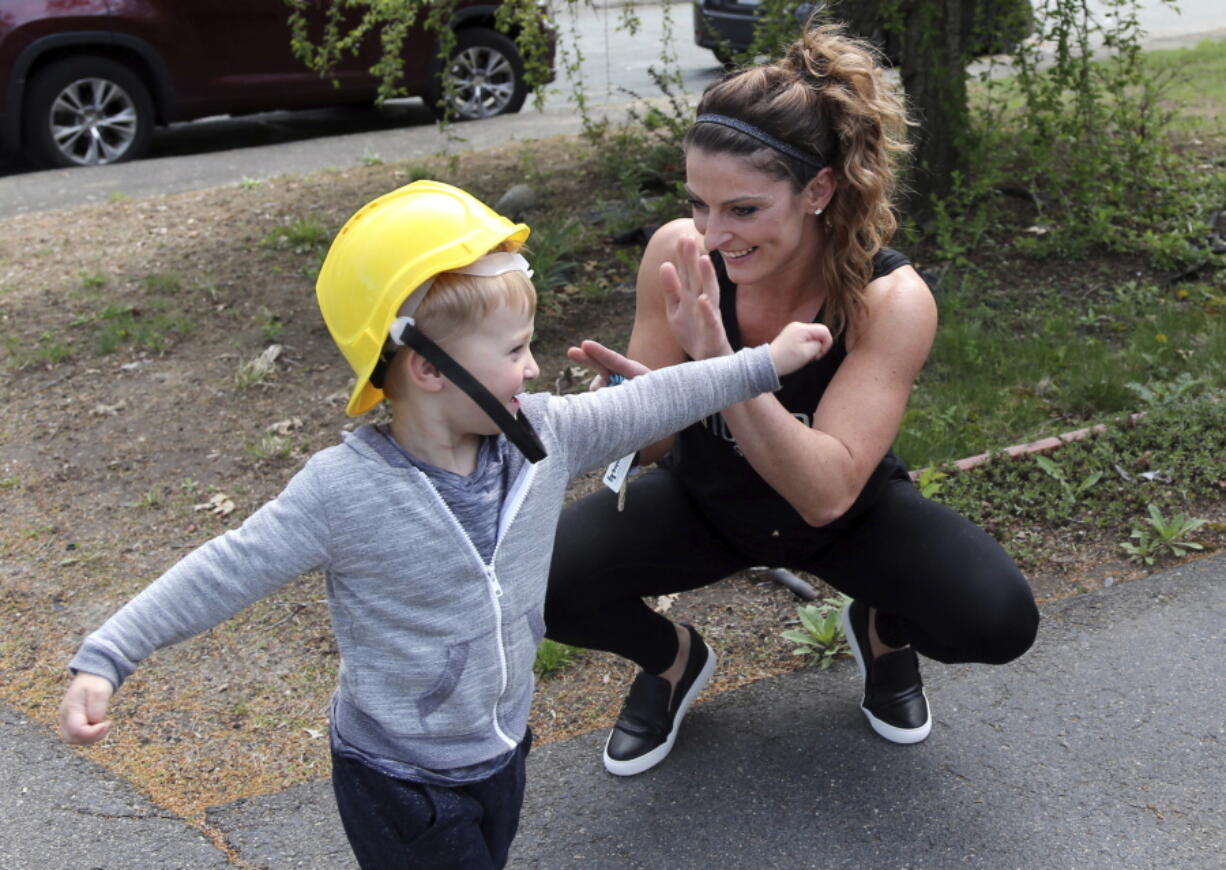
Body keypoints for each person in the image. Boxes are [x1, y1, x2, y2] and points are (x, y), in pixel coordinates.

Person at [56, 180, 833, 869]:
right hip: (398, 778)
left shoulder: (545, 436)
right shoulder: (343, 492)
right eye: (515, 350)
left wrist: (763, 363)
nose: (531, 369)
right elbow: (224, 569)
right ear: (429, 368)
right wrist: (109, 656)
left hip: (500, 749)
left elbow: (651, 401)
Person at [545, 23, 1041, 777]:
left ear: (818, 189)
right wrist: (622, 401)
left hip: (846, 517)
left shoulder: (889, 298)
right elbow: (641, 449)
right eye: (699, 205)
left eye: (743, 210)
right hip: (704, 500)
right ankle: (674, 663)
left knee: (997, 619)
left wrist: (716, 361)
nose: (711, 235)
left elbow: (825, 493)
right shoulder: (677, 253)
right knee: (536, 581)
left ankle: (882, 630)